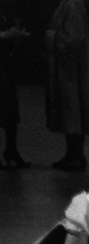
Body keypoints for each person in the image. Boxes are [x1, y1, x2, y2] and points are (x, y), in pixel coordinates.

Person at [46, 0, 89, 172]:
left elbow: (74, 37)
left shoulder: (71, 4)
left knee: (73, 110)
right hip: (69, 68)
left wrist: (52, 37)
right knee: (71, 111)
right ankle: (72, 154)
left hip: (71, 70)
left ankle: (75, 155)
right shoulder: (70, 3)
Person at [0, 6, 30, 168]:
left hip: (4, 69)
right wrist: (7, 35)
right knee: (7, 111)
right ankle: (10, 150)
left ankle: (11, 150)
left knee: (9, 112)